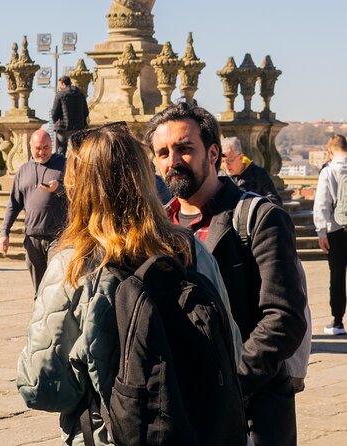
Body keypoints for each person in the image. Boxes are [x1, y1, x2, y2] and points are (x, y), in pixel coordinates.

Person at [17, 123, 242, 445]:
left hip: (111, 434)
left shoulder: (74, 266)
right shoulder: (191, 249)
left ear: (80, 186)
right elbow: (231, 350)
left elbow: (42, 385)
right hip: (197, 428)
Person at [146, 102, 306, 446]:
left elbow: (284, 318)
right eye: (162, 152)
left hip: (249, 411)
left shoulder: (258, 218)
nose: (172, 161)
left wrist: (229, 383)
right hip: (178, 412)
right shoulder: (156, 228)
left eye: (185, 148)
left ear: (213, 152)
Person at [0, 129, 67, 292]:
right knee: (38, 288)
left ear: (52, 146)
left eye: (46, 147)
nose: (42, 152)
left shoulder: (64, 164)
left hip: (58, 237)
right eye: (38, 148)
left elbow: (78, 192)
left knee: (54, 284)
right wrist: (4, 233)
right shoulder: (23, 170)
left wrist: (60, 188)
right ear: (30, 147)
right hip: (32, 237)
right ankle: (40, 315)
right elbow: (13, 204)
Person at [313, 134, 347, 335]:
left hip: (335, 230)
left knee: (337, 276)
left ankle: (337, 322)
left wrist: (321, 231)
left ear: (331, 150)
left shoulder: (328, 171)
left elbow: (322, 203)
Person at [221, 136, 282, 205]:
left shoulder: (259, 174)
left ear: (241, 157)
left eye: (230, 161)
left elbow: (275, 201)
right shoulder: (220, 177)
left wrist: (252, 204)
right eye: (222, 161)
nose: (225, 166)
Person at [51, 76, 89, 155]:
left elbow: (54, 112)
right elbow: (86, 112)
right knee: (77, 151)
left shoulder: (60, 94)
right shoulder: (81, 95)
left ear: (62, 83)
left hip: (63, 128)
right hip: (78, 128)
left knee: (61, 151)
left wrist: (56, 122)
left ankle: (61, 166)